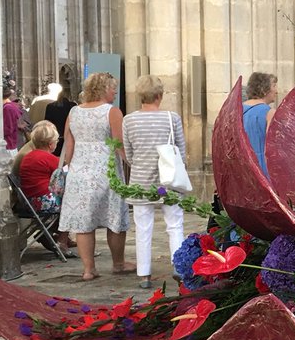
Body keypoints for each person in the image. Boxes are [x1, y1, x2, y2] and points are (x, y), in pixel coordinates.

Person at [59, 71, 133, 280]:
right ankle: (118, 263)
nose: (115, 91)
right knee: (115, 217)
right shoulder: (111, 112)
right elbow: (119, 145)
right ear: (103, 89)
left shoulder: (74, 112)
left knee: (84, 221)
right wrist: (133, 163)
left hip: (79, 172)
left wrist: (68, 169)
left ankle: (88, 269)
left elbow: (69, 144)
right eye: (112, 87)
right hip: (105, 171)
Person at [123, 75, 188, 290]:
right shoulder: (172, 118)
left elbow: (129, 154)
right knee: (174, 224)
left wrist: (142, 165)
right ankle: (178, 267)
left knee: (143, 228)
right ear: (160, 96)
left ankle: (144, 275)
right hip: (167, 180)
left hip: (140, 182)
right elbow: (181, 150)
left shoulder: (129, 120)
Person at [17, 121, 75, 255]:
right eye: (55, 141)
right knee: (72, 204)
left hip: (31, 200)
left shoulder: (30, 156)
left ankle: (47, 232)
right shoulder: (47, 158)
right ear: (50, 144)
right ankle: (62, 240)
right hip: (42, 201)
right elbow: (66, 171)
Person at [243, 72, 278, 176]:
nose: (276, 91)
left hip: (242, 167)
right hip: (262, 168)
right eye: (274, 86)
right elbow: (273, 146)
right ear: (263, 89)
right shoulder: (270, 113)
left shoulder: (237, 110)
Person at [43, 79, 77, 157]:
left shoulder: (50, 106)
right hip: (68, 138)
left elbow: (47, 122)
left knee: (54, 160)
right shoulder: (72, 106)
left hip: (54, 138)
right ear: (70, 95)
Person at [3, 88, 26, 154]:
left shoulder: (8, 108)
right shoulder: (9, 106)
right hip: (10, 143)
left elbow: (8, 129)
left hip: (8, 144)